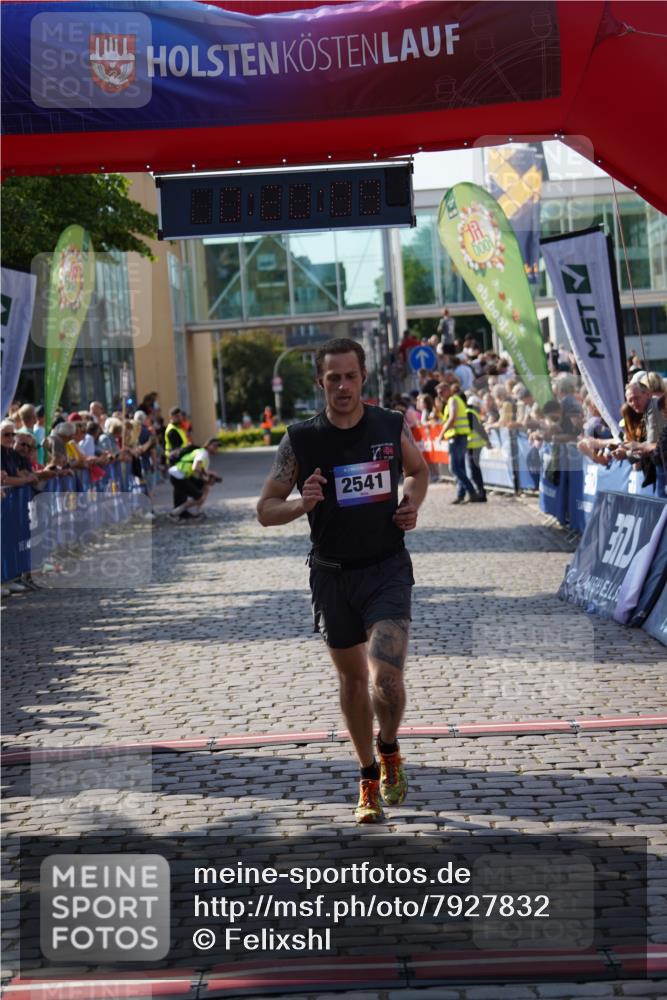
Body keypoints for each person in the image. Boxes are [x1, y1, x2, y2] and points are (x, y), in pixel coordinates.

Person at [256, 337, 429, 824]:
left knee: (386, 674)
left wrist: (411, 502)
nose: (343, 385)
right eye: (333, 377)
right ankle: (367, 776)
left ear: (363, 377)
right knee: (354, 681)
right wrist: (301, 504)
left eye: (350, 375)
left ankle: (390, 746)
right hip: (332, 576)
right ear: (320, 381)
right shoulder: (301, 440)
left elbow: (417, 471)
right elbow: (265, 510)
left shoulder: (388, 426)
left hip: (387, 568)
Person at [437, 381, 482, 504]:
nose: (440, 395)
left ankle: (471, 492)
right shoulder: (452, 401)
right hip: (459, 437)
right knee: (460, 467)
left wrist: (441, 435)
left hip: (457, 437)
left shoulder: (452, 400)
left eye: (441, 392)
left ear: (447, 390)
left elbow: (452, 418)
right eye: (438, 393)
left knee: (454, 468)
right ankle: (461, 494)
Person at [168, 436, 222, 520]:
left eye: (218, 446)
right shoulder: (203, 453)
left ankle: (188, 512)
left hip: (180, 475)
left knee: (203, 487)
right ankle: (174, 513)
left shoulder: (204, 454)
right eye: (214, 445)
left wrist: (207, 478)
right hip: (178, 475)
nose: (216, 448)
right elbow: (195, 468)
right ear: (208, 445)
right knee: (199, 496)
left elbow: (198, 472)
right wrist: (209, 474)